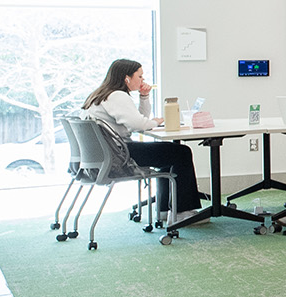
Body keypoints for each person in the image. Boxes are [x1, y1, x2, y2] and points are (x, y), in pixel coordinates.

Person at [80, 59, 202, 219]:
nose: (143, 80)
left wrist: (144, 97)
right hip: (119, 155)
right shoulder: (117, 96)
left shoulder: (101, 94)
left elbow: (138, 119)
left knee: (168, 153)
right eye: (140, 76)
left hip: (107, 154)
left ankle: (165, 209)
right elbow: (139, 123)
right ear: (127, 78)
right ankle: (183, 212)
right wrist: (155, 122)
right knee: (181, 152)